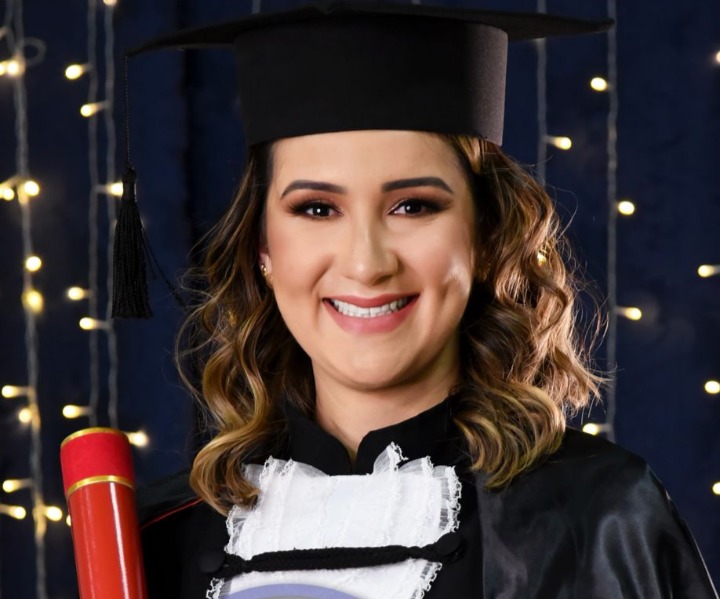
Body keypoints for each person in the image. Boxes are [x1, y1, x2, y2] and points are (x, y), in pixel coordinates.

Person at [126, 2, 718, 598]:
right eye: (317, 209)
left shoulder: (600, 521)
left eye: (412, 206)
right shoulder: (153, 541)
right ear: (263, 248)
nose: (366, 263)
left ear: (486, 237)